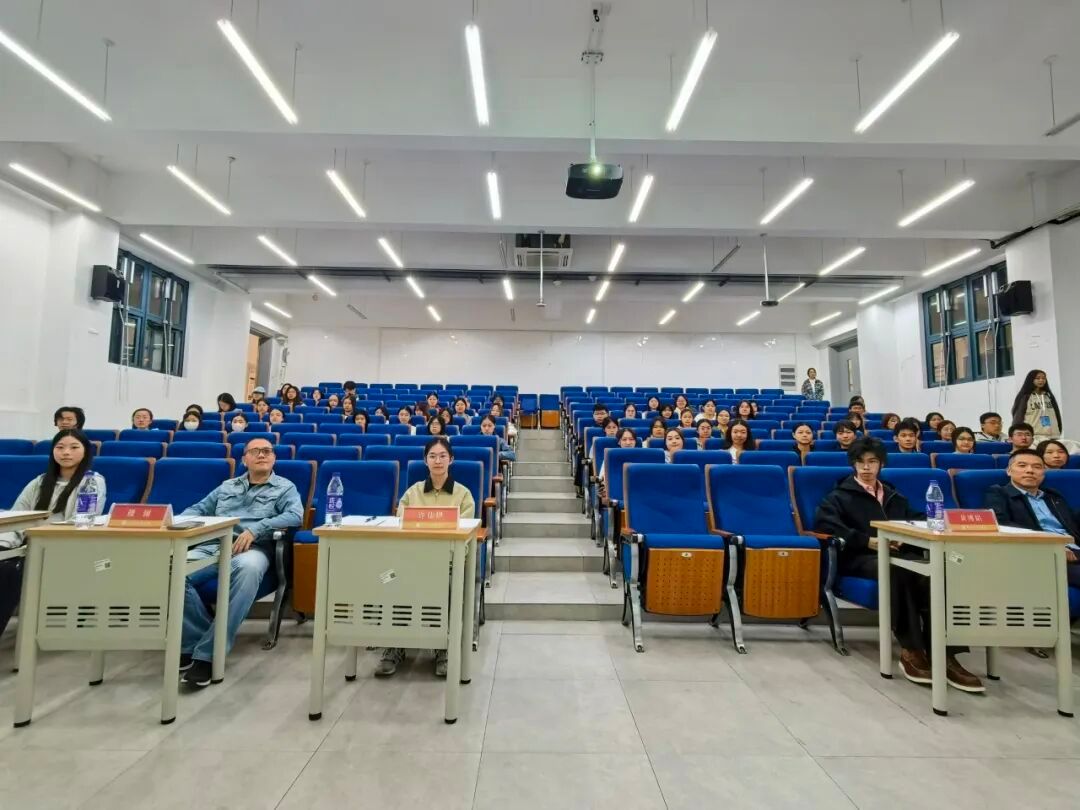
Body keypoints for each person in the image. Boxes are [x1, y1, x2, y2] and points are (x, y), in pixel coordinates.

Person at [814, 437, 983, 692]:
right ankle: (911, 649)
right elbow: (828, 526)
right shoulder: (838, 496)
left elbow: (914, 520)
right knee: (900, 570)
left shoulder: (893, 495)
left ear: (881, 464)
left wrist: (922, 530)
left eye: (872, 461)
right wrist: (867, 541)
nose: (866, 467)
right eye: (860, 462)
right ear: (853, 464)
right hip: (860, 557)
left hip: (899, 554)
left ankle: (946, 654)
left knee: (936, 572)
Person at [178, 437, 303, 687]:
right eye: (255, 451)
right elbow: (198, 510)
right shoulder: (227, 486)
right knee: (173, 572)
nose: (262, 455)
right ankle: (197, 640)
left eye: (267, 451)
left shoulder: (284, 487)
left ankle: (208, 655)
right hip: (214, 545)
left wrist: (257, 529)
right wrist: (175, 523)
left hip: (254, 549)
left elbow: (295, 515)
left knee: (247, 570)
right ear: (244, 459)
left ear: (274, 458)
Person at [378, 437, 475, 678]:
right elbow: (401, 527)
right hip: (409, 562)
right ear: (425, 460)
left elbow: (463, 538)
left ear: (451, 459)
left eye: (443, 456)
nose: (437, 460)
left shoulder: (463, 495)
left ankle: (443, 648)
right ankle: (394, 644)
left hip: (446, 564)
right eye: (432, 456)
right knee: (384, 579)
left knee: (446, 584)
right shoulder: (412, 493)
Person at [0, 430, 106, 638]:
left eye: (74, 447)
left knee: (10, 571)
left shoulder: (92, 482)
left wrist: (40, 539)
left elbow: (82, 522)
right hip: (27, 545)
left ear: (85, 452)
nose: (66, 452)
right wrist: (4, 545)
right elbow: (17, 516)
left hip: (63, 546)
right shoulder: (40, 481)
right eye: (60, 447)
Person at [984, 448, 1080, 657]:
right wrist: (1052, 546)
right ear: (1009, 471)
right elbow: (1002, 525)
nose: (1030, 471)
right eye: (1022, 465)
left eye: (1037, 467)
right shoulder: (999, 493)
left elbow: (1073, 525)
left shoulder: (1053, 496)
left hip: (1073, 550)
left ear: (1044, 473)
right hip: (1039, 555)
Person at [1012, 369, 1062, 441]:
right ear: (1031, 380)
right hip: (1034, 435)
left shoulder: (1048, 396)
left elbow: (1057, 415)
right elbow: (1018, 416)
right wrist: (1017, 433)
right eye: (1038, 378)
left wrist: (1059, 429)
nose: (1041, 380)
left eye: (1043, 378)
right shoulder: (1025, 397)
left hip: (1053, 435)